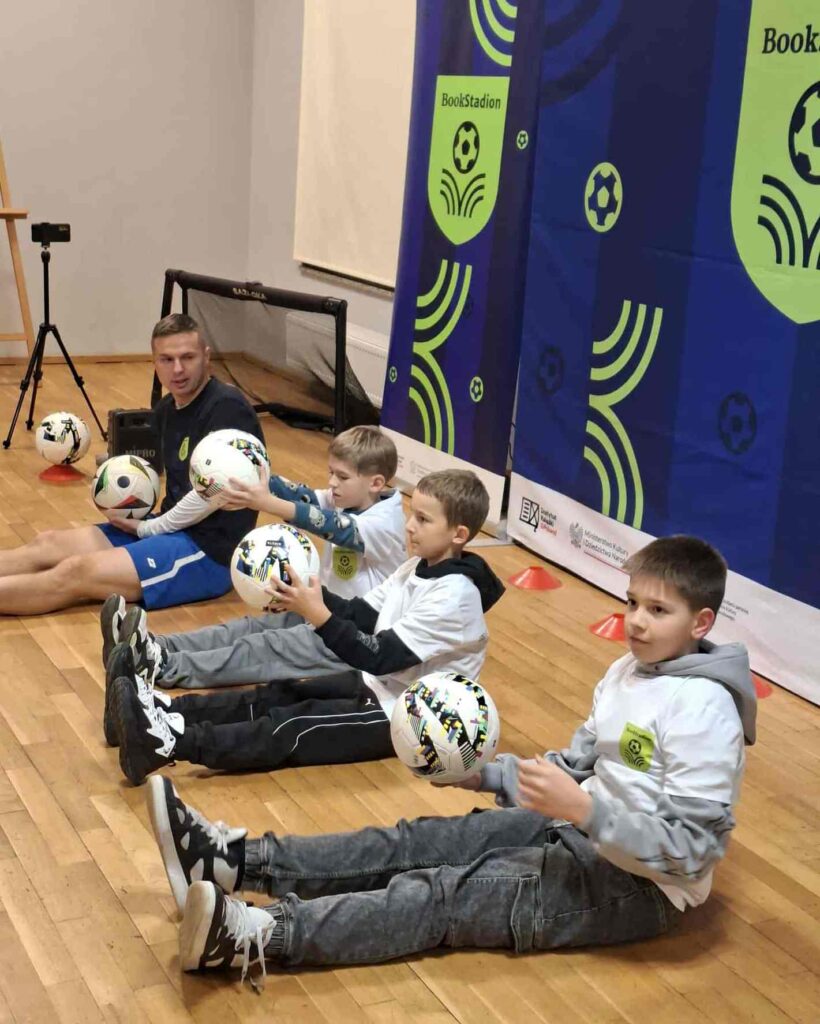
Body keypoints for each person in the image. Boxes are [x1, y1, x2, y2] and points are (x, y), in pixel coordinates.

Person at [143, 534, 756, 987]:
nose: (636, 623)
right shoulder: (626, 670)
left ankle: (257, 935)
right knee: (414, 842)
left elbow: (694, 849)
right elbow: (571, 767)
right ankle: (234, 861)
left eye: (658, 611)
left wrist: (588, 813)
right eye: (633, 603)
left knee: (445, 895)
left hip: (641, 887)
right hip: (578, 826)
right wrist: (483, 775)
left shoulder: (707, 710)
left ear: (701, 622)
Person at [108, 469, 505, 785]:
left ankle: (170, 742)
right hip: (379, 685)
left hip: (409, 719)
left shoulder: (455, 596)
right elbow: (361, 614)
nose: (410, 527)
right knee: (276, 695)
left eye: (423, 519)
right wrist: (303, 591)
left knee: (292, 728)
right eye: (411, 514)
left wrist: (316, 613)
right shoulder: (416, 566)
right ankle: (161, 712)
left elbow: (381, 656)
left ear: (459, 535)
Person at [103, 426, 406, 694]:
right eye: (331, 473)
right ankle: (152, 646)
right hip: (325, 609)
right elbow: (300, 495)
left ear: (376, 483)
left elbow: (331, 525)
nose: (332, 483)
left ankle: (164, 667)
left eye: (342, 477)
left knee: (264, 648)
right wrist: (245, 471)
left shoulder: (385, 524)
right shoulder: (348, 498)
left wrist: (267, 502)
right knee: (248, 629)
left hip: (357, 638)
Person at [0, 313, 263, 618]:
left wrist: (151, 527)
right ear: (154, 362)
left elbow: (211, 493)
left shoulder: (227, 408)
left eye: (187, 357)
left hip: (208, 552)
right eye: (166, 359)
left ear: (206, 357)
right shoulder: (167, 409)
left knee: (75, 571)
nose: (177, 369)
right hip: (170, 527)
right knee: (47, 544)